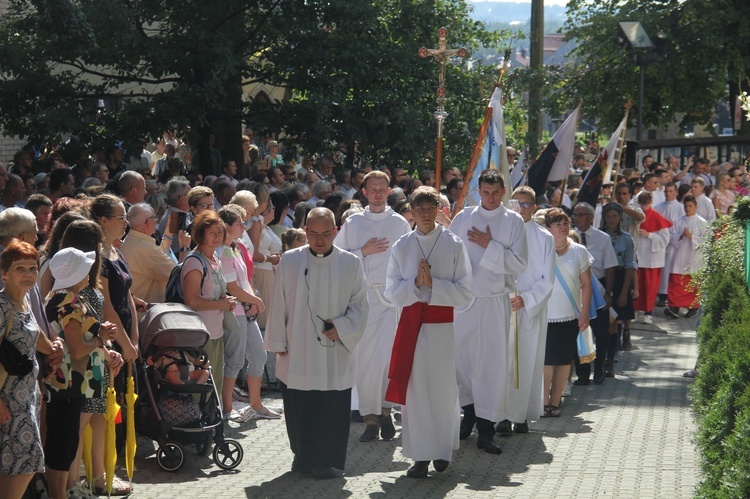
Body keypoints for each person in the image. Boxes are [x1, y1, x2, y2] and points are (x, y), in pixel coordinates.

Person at [264, 207, 368, 479]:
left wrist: (342, 327)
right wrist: (278, 340)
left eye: (325, 234)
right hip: (297, 347)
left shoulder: (351, 263)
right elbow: (278, 303)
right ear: (305, 230)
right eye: (313, 234)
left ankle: (326, 461)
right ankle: (303, 457)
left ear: (335, 231)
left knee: (331, 406)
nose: (319, 240)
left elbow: (360, 306)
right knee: (299, 405)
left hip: (333, 349)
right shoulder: (289, 261)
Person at [384, 186, 472, 478]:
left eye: (429, 208)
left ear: (438, 210)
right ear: (411, 210)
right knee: (416, 389)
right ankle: (420, 456)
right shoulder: (401, 245)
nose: (424, 213)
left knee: (443, 388)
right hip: (411, 323)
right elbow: (390, 291)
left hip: (441, 326)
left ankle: (442, 451)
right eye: (418, 208)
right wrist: (415, 285)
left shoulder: (454, 244)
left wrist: (433, 285)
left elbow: (465, 293)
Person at [448, 170, 528, 453]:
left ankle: (486, 427)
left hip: (495, 300)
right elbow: (449, 254)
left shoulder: (513, 221)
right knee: (462, 361)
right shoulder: (463, 218)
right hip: (464, 300)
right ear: (478, 191)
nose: (491, 198)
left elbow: (519, 264)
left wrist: (489, 245)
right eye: (486, 192)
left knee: (490, 365)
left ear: (504, 192)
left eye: (496, 193)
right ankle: (467, 413)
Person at [333, 171, 412, 443]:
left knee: (388, 360)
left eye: (382, 188)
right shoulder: (353, 224)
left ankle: (386, 412)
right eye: (372, 189)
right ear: (364, 192)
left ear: (389, 191)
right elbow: (336, 260)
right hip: (363, 299)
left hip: (391, 301)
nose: (377, 193)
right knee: (366, 362)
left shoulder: (400, 223)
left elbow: (409, 263)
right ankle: (369, 419)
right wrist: (362, 252)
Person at [43, 247, 123, 499]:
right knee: (65, 440)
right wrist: (100, 337)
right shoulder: (69, 301)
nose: (89, 271)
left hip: (73, 381)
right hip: (70, 381)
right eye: (84, 267)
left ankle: (65, 489)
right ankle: (63, 491)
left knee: (67, 438)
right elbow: (77, 349)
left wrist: (100, 334)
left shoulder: (61, 296)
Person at [0, 242, 57, 499]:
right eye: (19, 268)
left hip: (26, 395)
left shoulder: (23, 302)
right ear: (4, 273)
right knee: (29, 460)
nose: (28, 273)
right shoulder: (2, 306)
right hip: (8, 398)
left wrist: (36, 387)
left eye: (32, 268)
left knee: (9, 463)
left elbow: (33, 345)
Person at [216, 205, 278, 421]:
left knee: (259, 356)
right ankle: (227, 408)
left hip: (245, 310)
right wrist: (256, 301)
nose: (245, 226)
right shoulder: (223, 250)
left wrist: (252, 300)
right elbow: (231, 287)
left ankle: (256, 404)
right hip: (235, 312)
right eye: (240, 223)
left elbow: (245, 280)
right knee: (234, 360)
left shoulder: (234, 246)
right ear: (227, 227)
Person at [503, 186, 555, 432]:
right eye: (516, 203)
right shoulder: (501, 232)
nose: (520, 209)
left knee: (525, 362)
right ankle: (499, 414)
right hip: (502, 305)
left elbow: (547, 278)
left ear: (534, 208)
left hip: (528, 308)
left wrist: (527, 299)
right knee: (501, 363)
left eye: (525, 204)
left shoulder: (544, 237)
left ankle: (521, 414)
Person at [181, 210, 237, 407]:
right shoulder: (194, 261)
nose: (216, 237)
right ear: (200, 234)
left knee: (215, 381)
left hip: (216, 330)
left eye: (219, 232)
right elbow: (191, 301)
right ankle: (198, 423)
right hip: (200, 334)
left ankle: (213, 422)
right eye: (211, 232)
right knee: (201, 382)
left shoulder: (215, 260)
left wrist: (226, 300)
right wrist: (221, 304)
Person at [544, 208, 592, 417]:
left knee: (563, 360)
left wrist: (585, 312)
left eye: (566, 224)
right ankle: (542, 402)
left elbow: (587, 285)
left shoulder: (579, 251)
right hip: (544, 313)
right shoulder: (541, 249)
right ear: (548, 229)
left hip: (569, 314)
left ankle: (555, 402)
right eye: (557, 224)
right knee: (545, 360)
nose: (563, 228)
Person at [571, 202, 617, 384]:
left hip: (598, 290)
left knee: (601, 333)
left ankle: (599, 370)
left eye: (581, 214)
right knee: (579, 332)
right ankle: (582, 373)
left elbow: (610, 267)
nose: (577, 218)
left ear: (591, 217)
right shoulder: (569, 237)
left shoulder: (602, 238)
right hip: (576, 289)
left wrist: (609, 293)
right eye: (575, 214)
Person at [600, 203, 637, 372]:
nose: (612, 220)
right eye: (608, 217)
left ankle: (610, 356)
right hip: (602, 279)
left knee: (613, 320)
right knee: (601, 321)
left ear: (620, 218)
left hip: (620, 278)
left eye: (615, 216)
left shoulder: (627, 239)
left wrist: (625, 291)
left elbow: (630, 265)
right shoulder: (599, 237)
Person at [121, 203, 177, 305]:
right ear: (148, 222)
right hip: (145, 313)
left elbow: (158, 255)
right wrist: (185, 248)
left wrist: (168, 234)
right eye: (154, 217)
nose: (156, 220)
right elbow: (177, 274)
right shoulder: (144, 248)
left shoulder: (131, 240)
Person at [665, 196, 708, 319]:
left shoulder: (702, 223)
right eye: (686, 206)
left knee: (693, 283)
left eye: (690, 206)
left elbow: (706, 240)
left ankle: (693, 307)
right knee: (677, 282)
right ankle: (674, 306)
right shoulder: (678, 221)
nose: (688, 208)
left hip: (694, 258)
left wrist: (691, 237)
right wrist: (680, 236)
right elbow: (670, 237)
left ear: (696, 207)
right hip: (680, 257)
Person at [633, 191, 672, 324]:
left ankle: (648, 312)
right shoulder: (635, 216)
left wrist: (649, 235)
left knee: (650, 287)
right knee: (636, 285)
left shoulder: (657, 217)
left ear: (650, 202)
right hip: (638, 255)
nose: (644, 207)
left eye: (646, 204)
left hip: (651, 258)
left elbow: (665, 239)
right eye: (641, 204)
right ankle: (634, 309)